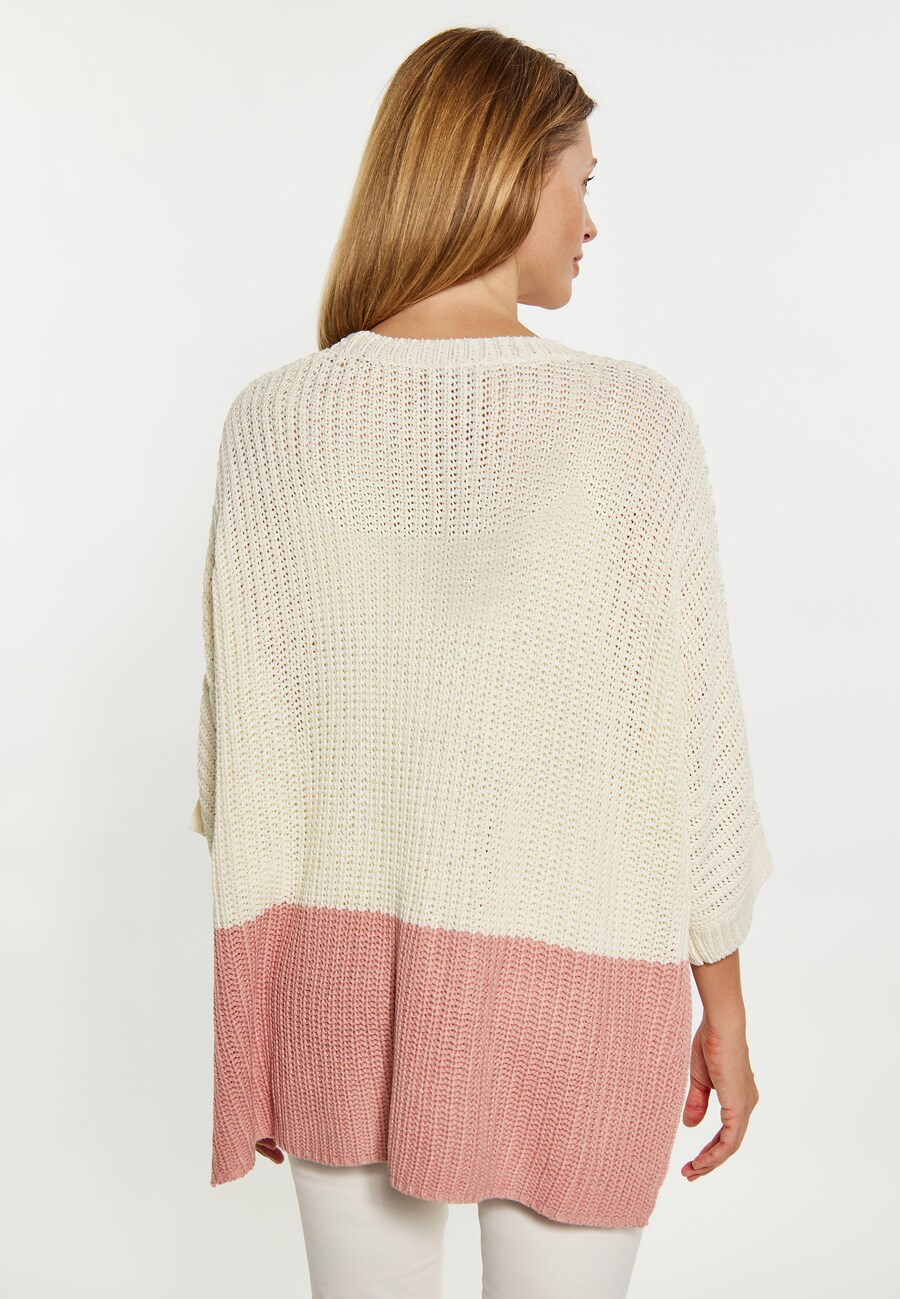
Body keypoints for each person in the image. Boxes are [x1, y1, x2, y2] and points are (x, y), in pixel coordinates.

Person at [189, 25, 775, 1299]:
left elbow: (248, 769)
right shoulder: (634, 421)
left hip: (343, 994)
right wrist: (724, 1014)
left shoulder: (274, 423)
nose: (591, 223)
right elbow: (698, 762)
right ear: (513, 174)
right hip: (583, 995)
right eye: (583, 183)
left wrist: (259, 1023)